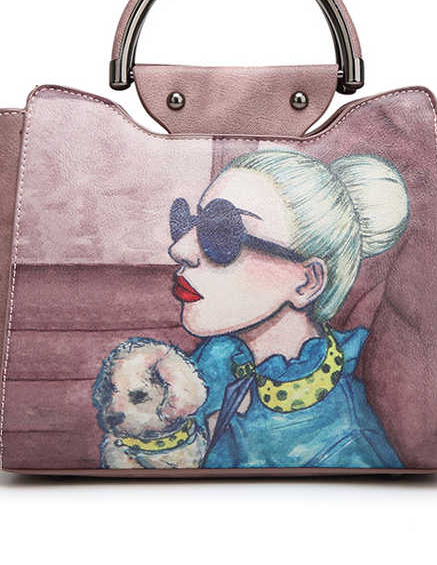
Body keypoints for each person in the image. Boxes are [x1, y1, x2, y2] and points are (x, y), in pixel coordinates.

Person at [168, 149, 409, 469]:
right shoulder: (219, 356)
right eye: (192, 222)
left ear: (307, 282)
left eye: (222, 232)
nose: (179, 248)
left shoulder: (346, 448)